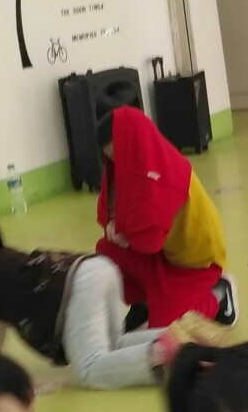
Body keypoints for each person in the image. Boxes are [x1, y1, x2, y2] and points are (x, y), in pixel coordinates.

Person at [0, 194, 224, 391]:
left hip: (77, 287)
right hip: (94, 268)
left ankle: (165, 352)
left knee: (90, 368)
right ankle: (183, 337)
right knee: (112, 345)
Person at [97, 107, 236, 333]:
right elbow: (111, 207)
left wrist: (124, 234)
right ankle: (144, 302)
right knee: (106, 251)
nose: (117, 164)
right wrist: (113, 224)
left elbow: (149, 242)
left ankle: (218, 295)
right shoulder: (132, 167)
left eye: (119, 156)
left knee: (167, 328)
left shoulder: (166, 176)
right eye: (112, 159)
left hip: (196, 264)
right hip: (165, 255)